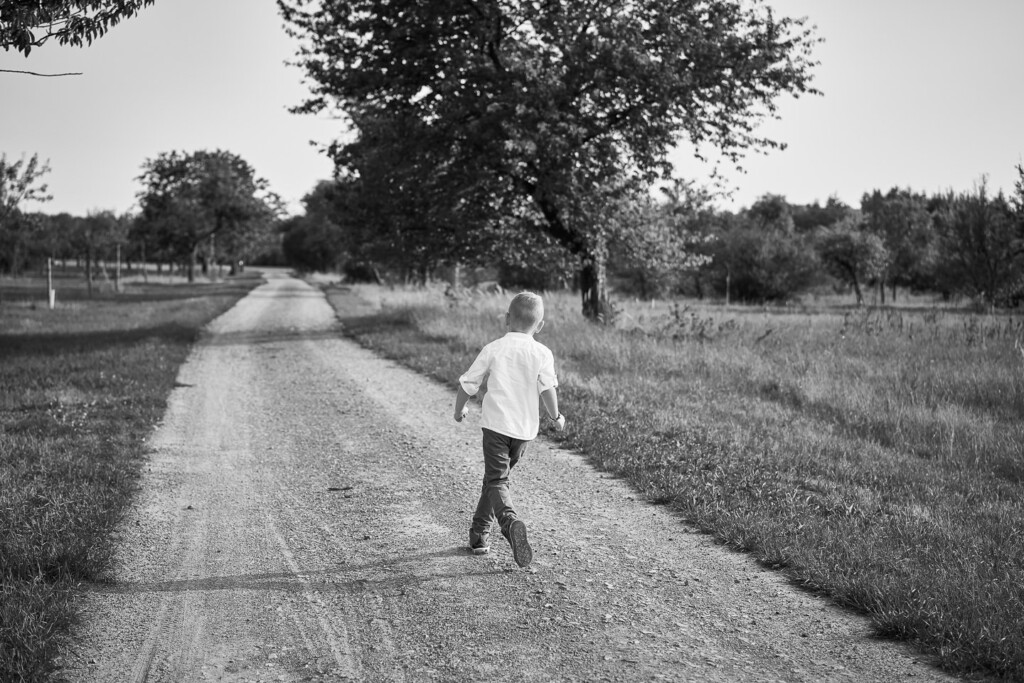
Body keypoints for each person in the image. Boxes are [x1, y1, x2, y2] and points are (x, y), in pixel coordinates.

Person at [453, 291, 566, 568]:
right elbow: (547, 389)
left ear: (507, 319)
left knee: (497, 482)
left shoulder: (494, 348)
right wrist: (556, 416)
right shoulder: (542, 352)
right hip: (523, 432)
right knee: (495, 480)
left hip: (496, 427)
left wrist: (459, 410)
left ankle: (509, 521)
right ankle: (478, 535)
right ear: (540, 326)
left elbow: (469, 383)